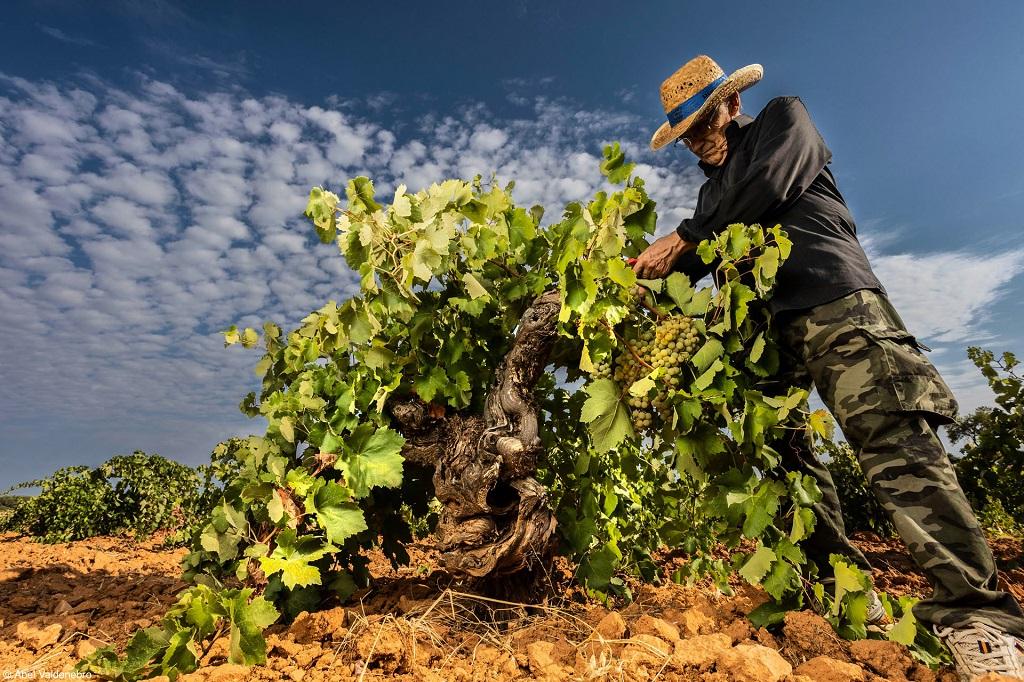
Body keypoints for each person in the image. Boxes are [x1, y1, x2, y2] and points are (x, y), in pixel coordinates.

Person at [633, 54, 1024, 680]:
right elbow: (698, 257)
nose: (701, 140)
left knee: (893, 444)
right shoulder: (711, 198)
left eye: (706, 121)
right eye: (688, 134)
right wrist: (643, 279)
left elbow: (763, 187)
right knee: (780, 457)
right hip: (766, 334)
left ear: (732, 105)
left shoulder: (783, 125)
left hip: (836, 301)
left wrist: (682, 239)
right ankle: (845, 595)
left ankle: (980, 619)